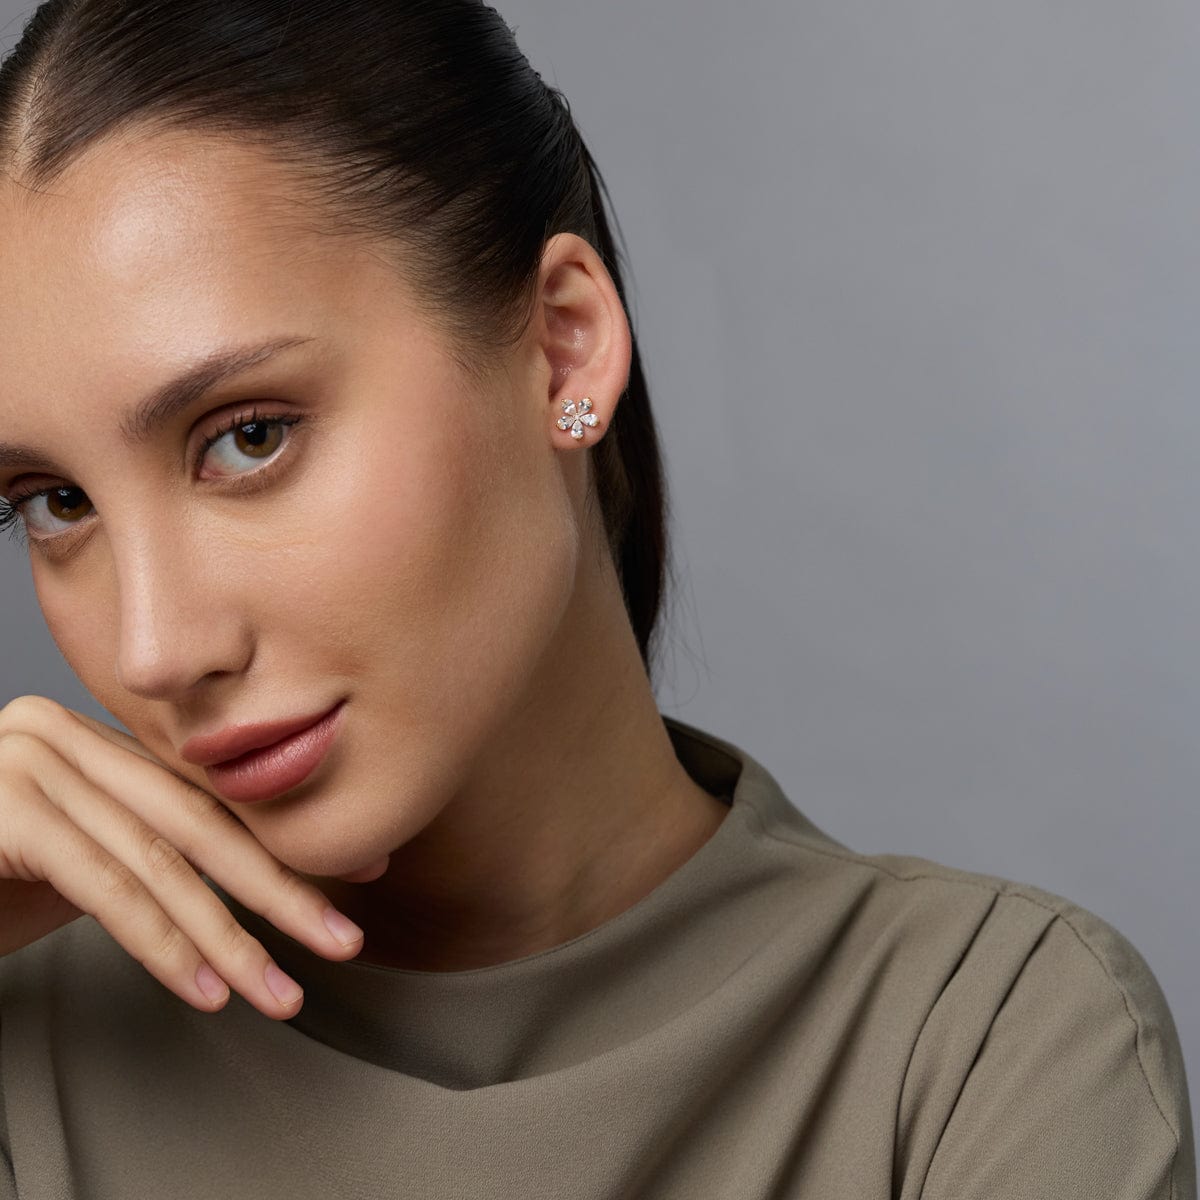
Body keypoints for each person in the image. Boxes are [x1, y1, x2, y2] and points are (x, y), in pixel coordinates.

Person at [0, 1, 1193, 1196]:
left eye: (249, 436)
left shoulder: (982, 1046)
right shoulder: (30, 1040)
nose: (155, 649)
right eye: (55, 502)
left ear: (564, 348)